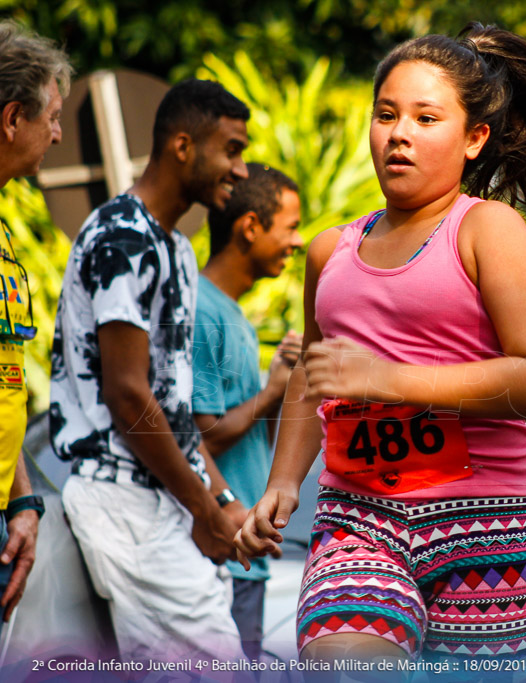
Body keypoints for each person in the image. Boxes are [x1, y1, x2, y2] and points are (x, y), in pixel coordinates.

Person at [235, 23, 526, 665]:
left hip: (487, 532)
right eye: (386, 115)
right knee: (344, 663)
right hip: (359, 519)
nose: (398, 133)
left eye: (426, 118)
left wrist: (387, 380)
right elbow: (315, 375)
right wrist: (284, 483)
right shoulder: (331, 250)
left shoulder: (487, 230)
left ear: (474, 138)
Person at [49, 78, 251, 662]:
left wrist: (222, 496)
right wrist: (205, 511)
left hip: (165, 500)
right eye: (231, 149)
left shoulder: (175, 249)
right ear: (182, 146)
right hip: (124, 503)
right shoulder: (122, 237)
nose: (240, 170)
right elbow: (129, 397)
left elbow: (170, 401)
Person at [192, 162, 304, 659]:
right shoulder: (202, 310)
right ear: (251, 227)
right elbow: (197, 440)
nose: (297, 242)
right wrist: (271, 388)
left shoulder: (233, 312)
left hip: (250, 559)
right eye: (291, 227)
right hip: (224, 556)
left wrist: (282, 386)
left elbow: (252, 433)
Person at [0, 20, 72, 623]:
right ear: (11, 119)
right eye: (50, 116)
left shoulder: (4, 233)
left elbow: (6, 379)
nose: (56, 135)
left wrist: (22, 497)